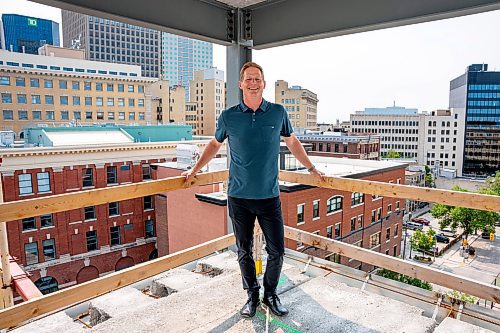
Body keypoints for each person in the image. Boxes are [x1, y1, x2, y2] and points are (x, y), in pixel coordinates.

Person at [182, 62, 324, 318]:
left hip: (269, 196)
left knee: (277, 251)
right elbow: (214, 145)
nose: (253, 82)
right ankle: (252, 296)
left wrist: (312, 168)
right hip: (238, 196)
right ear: (241, 83)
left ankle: (270, 294)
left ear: (263, 83)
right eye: (248, 79)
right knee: (244, 250)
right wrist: (194, 170)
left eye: (257, 78)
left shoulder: (278, 113)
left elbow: (293, 142)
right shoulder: (228, 116)